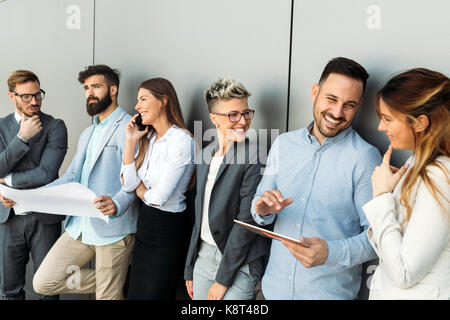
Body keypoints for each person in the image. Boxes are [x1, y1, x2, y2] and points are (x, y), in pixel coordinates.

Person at [251, 57, 382, 299]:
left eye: (349, 105)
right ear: (315, 92)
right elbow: (259, 205)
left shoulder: (365, 157)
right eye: (331, 99)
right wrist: (262, 208)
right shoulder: (283, 144)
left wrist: (330, 253)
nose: (337, 112)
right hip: (271, 291)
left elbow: (377, 236)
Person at [31, 65, 139, 300]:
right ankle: (115, 279)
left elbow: (137, 178)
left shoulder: (129, 127)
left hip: (113, 228)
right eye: (86, 88)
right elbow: (71, 177)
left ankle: (112, 282)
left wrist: (119, 203)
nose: (90, 92)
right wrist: (31, 197)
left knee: (107, 298)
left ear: (113, 90)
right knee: (44, 282)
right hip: (79, 226)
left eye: (96, 87)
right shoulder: (88, 133)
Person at [362, 68, 449, 299]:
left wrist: (381, 198)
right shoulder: (415, 163)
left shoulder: (440, 176)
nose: (381, 127)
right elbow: (386, 249)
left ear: (420, 123)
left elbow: (404, 273)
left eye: (388, 119)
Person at [184, 78, 270, 300]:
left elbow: (246, 223)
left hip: (238, 261)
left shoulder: (254, 156)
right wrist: (190, 266)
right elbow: (199, 217)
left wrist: (223, 279)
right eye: (233, 115)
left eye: (246, 113)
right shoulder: (204, 156)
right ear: (214, 119)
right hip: (203, 256)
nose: (242, 121)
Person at [121, 77, 195, 300]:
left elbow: (159, 197)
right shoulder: (149, 138)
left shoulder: (181, 141)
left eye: (143, 99)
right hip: (145, 227)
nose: (137, 106)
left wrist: (141, 191)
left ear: (163, 100)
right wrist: (130, 141)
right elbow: (127, 183)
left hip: (167, 232)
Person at [0, 70, 68, 300]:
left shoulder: (55, 126)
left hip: (45, 218)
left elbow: (47, 173)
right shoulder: (0, 128)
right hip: (7, 219)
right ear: (12, 96)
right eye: (26, 96)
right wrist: (22, 138)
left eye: (38, 95)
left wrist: (6, 181)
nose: (34, 101)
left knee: (48, 289)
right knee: (9, 290)